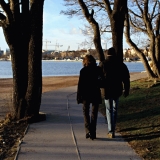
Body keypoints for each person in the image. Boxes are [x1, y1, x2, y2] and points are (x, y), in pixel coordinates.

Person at [100, 47, 130, 138]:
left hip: (107, 90)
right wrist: (126, 89)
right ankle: (113, 127)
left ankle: (111, 130)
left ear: (107, 54)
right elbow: (126, 78)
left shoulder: (103, 64)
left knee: (109, 110)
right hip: (117, 89)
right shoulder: (121, 64)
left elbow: (98, 77)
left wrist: (100, 86)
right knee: (115, 109)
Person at [77, 55, 102, 140]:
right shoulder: (98, 70)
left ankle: (88, 130)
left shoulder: (83, 71)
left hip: (85, 94)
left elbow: (80, 85)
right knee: (94, 113)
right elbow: (101, 81)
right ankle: (93, 132)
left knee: (85, 112)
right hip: (95, 93)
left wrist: (78, 96)